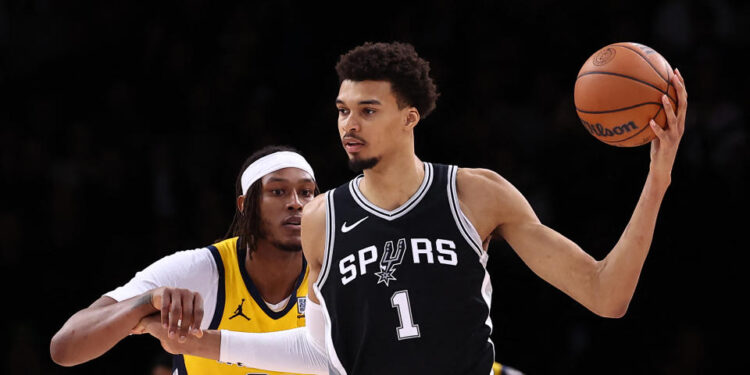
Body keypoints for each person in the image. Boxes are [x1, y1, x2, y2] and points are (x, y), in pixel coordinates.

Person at [135, 41, 686, 375]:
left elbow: (606, 294)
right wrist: (203, 341)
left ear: (410, 117)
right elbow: (323, 353)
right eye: (342, 110)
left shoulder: (476, 193)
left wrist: (657, 179)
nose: (349, 125)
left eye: (367, 110)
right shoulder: (323, 219)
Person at [50, 145, 319, 375]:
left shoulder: (333, 269)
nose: (296, 203)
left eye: (306, 192)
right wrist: (147, 303)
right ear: (244, 204)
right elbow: (65, 348)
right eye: (278, 191)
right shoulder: (201, 269)